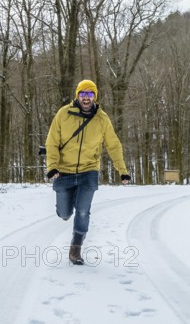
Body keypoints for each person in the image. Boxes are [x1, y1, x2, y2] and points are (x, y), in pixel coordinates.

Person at [45, 79, 131, 265]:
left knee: (83, 211)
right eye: (83, 94)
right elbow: (51, 142)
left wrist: (122, 171)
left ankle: (75, 249)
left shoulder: (102, 119)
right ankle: (66, 208)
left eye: (90, 94)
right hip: (64, 171)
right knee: (65, 213)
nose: (86, 98)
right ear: (77, 95)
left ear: (95, 96)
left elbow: (113, 145)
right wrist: (52, 166)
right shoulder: (63, 114)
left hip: (88, 170)